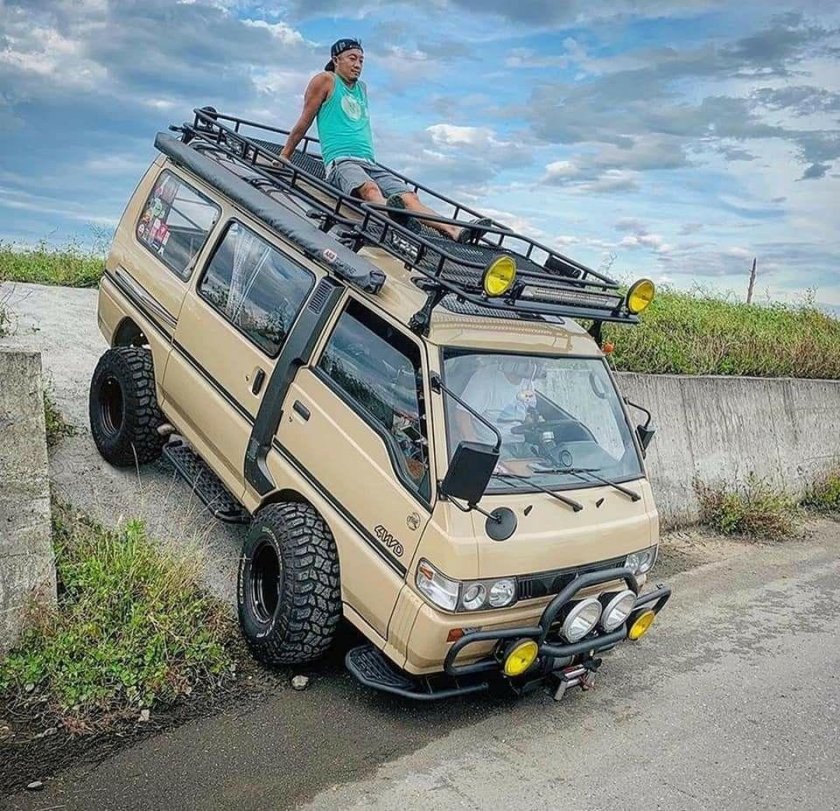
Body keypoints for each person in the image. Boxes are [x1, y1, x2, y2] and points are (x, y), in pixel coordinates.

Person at [279, 38, 490, 243]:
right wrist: (285, 155)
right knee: (370, 190)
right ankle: (394, 215)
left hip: (369, 162)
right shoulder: (325, 80)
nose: (358, 64)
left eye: (361, 60)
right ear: (336, 60)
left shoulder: (362, 88)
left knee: (410, 198)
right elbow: (304, 120)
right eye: (352, 58)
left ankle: (454, 230)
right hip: (341, 161)